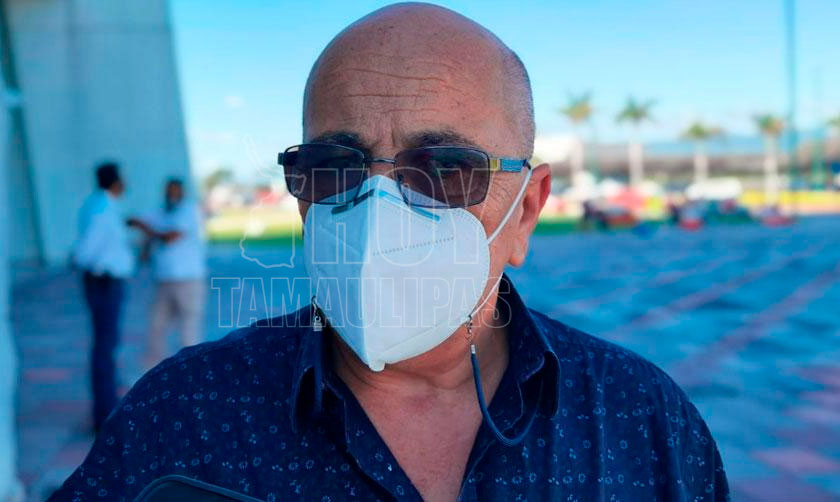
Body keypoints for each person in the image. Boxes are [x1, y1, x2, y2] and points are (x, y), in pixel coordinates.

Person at [51, 4, 728, 501]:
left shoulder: (643, 424)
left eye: (444, 168)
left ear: (525, 209)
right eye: (334, 166)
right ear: (301, 195)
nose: (378, 211)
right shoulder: (181, 417)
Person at [71, 162, 134, 432]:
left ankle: (106, 409)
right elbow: (87, 249)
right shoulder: (101, 208)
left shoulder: (102, 204)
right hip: (104, 282)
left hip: (105, 281)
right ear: (116, 181)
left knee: (106, 346)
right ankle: (105, 414)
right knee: (105, 348)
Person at [129, 178, 208, 370]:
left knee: (189, 331)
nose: (171, 194)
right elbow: (133, 221)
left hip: (189, 281)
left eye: (175, 191)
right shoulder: (159, 212)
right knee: (156, 328)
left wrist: (145, 228)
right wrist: (145, 241)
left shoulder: (189, 210)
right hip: (164, 281)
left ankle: (193, 372)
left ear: (182, 192)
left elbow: (171, 237)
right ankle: (153, 372)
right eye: (168, 191)